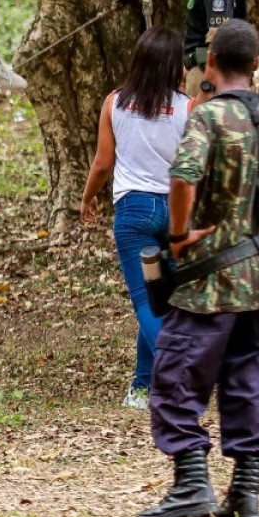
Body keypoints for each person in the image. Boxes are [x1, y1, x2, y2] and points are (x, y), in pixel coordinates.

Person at [139, 19, 259, 517]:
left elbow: (183, 177)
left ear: (210, 63)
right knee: (252, 387)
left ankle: (192, 487)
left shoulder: (207, 117)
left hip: (208, 286)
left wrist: (179, 235)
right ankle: (245, 495)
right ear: (256, 64)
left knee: (176, 379)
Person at [80, 26, 190, 409]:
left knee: (147, 301)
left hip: (135, 212)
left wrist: (87, 198)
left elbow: (102, 163)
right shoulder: (188, 107)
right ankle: (142, 387)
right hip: (177, 213)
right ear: (174, 65)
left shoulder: (115, 102)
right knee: (163, 300)